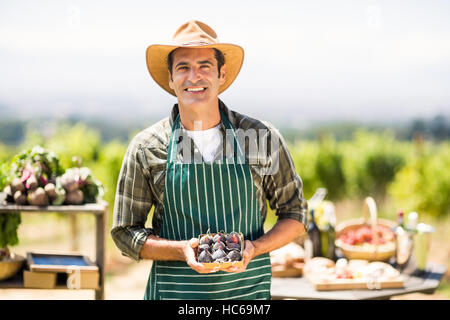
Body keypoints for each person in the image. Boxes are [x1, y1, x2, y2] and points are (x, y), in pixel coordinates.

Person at [111, 20, 308, 300]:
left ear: (221, 74)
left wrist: (255, 247)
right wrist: (181, 250)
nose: (194, 77)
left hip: (246, 296)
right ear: (170, 78)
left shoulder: (261, 138)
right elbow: (124, 232)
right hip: (174, 296)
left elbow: (296, 215)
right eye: (183, 68)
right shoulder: (147, 147)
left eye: (204, 66)